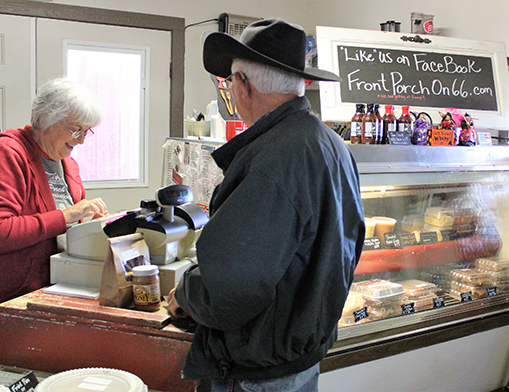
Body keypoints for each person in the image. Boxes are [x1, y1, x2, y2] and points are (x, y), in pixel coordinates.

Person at [168, 19, 365, 391]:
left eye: (230, 82)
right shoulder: (329, 143)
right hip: (300, 359)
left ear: (242, 86)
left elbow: (231, 289)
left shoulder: (273, 159)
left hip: (258, 372)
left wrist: (184, 294)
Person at [0, 78, 108, 303]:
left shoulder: (68, 164)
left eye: (86, 132)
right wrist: (67, 215)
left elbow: (69, 229)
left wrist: (90, 226)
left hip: (58, 288)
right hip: (16, 298)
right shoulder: (9, 153)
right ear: (44, 119)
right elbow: (2, 230)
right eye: (75, 130)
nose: (80, 141)